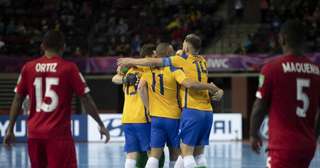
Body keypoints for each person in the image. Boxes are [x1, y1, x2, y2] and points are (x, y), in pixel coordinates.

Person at [3, 30, 110, 168]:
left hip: (34, 135)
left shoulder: (28, 68)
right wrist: (100, 124)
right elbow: (86, 99)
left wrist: (10, 129)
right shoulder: (69, 68)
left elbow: (18, 99)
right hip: (59, 136)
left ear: (42, 46)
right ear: (63, 47)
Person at [118, 34, 224, 168]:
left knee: (155, 156)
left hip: (158, 118)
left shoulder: (149, 70)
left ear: (185, 45)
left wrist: (129, 61)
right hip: (182, 115)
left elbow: (139, 80)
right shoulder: (200, 61)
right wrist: (214, 88)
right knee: (185, 154)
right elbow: (187, 80)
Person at [250, 19, 320, 168]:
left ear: (282, 38)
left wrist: (253, 133)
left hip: (282, 148)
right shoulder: (317, 71)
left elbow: (259, 106)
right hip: (307, 148)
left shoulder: (271, 69)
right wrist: (314, 137)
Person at [112, 44, 164, 168]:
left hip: (127, 119)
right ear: (150, 55)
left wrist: (124, 77)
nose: (157, 56)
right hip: (142, 117)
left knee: (131, 155)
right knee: (152, 153)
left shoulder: (129, 70)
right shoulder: (147, 70)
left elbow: (115, 78)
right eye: (155, 54)